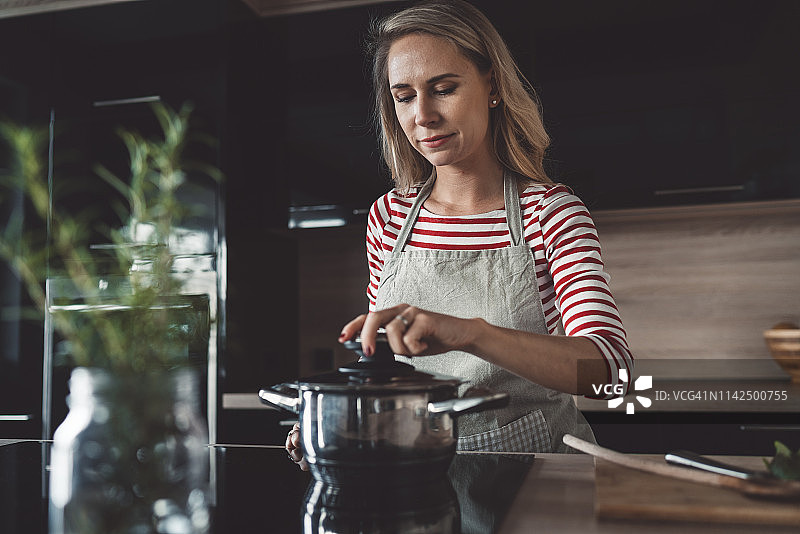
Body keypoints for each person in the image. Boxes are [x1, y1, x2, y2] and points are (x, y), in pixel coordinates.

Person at [287, 0, 633, 467]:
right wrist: (343, 419)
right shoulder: (388, 216)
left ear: (492, 87)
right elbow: (387, 364)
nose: (423, 115)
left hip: (537, 478)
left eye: (443, 89)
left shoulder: (548, 212)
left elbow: (610, 372)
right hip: (418, 473)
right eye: (404, 96)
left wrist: (472, 334)